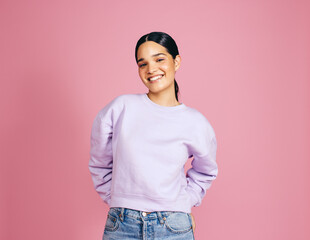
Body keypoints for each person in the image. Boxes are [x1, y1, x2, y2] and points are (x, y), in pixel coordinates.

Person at [88, 31, 218, 240]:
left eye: (159, 59)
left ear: (176, 62)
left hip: (173, 226)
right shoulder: (120, 108)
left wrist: (183, 205)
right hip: (122, 224)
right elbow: (99, 162)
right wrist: (117, 199)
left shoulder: (195, 122)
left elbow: (206, 171)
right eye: (143, 64)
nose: (151, 69)